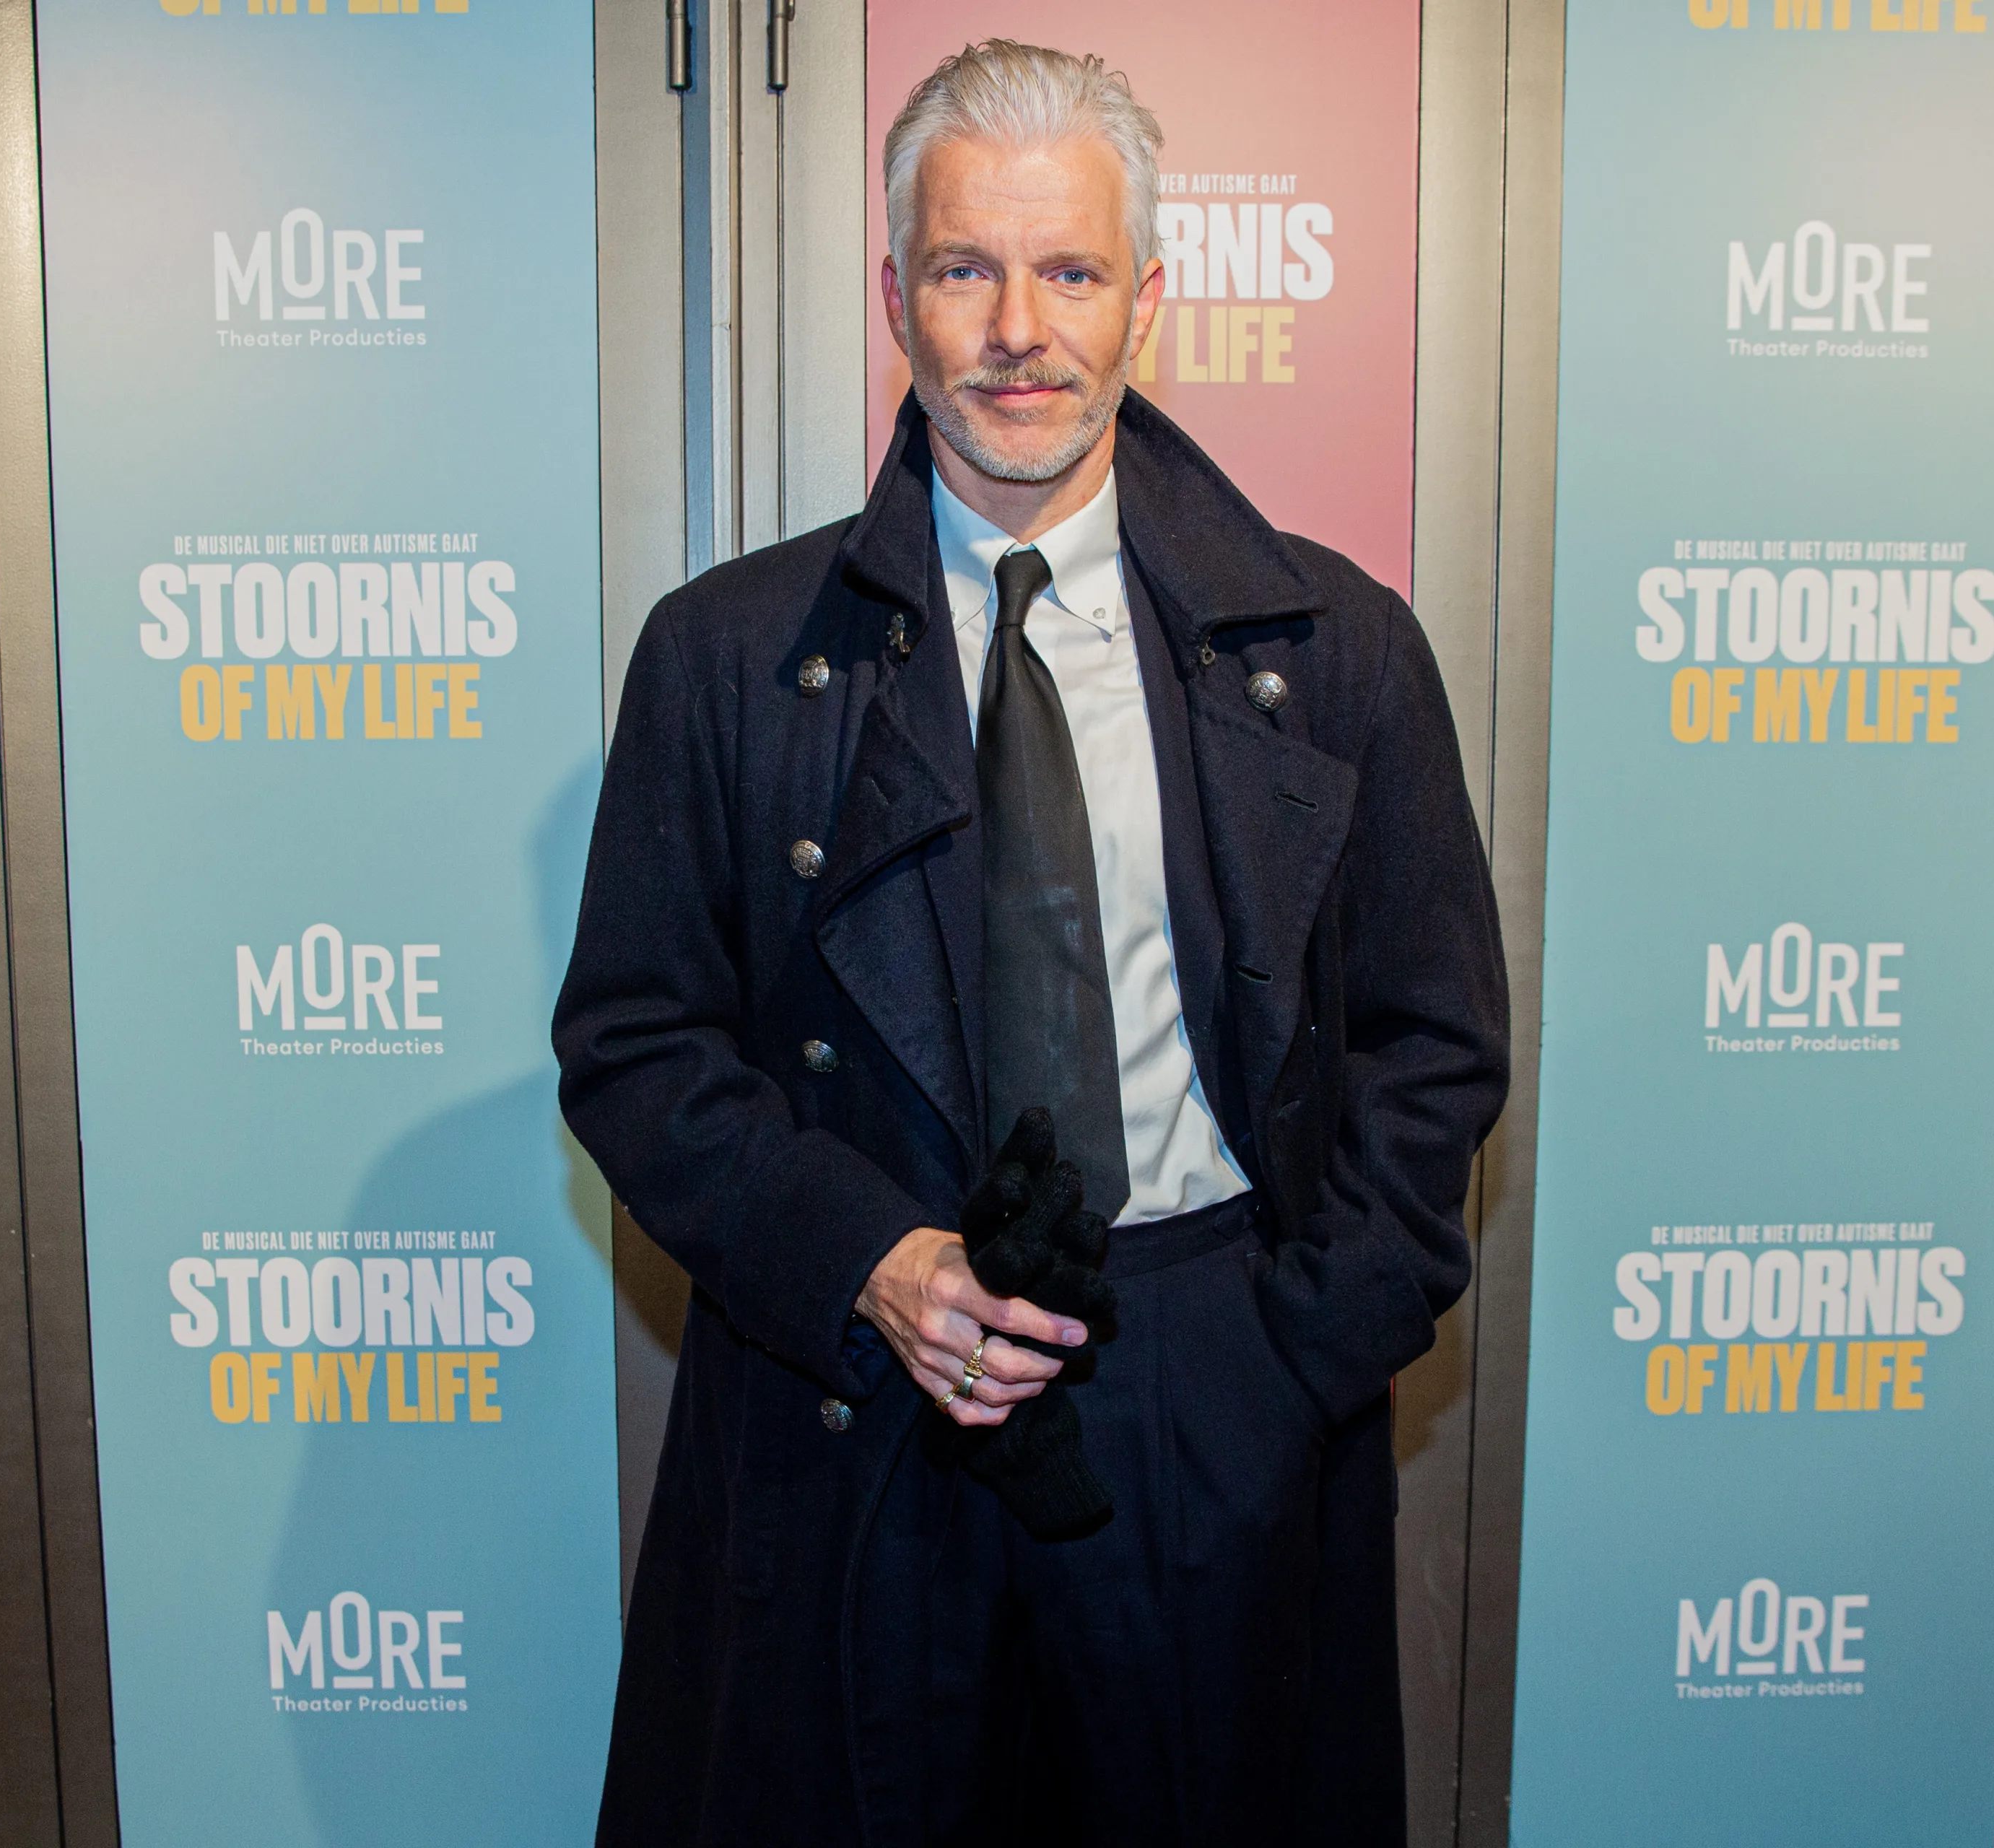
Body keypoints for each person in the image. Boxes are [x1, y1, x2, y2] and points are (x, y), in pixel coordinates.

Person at [554, 38, 1507, 1848]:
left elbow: (1434, 1041)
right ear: (896, 294)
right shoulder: (726, 657)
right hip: (868, 1405)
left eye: (1068, 270)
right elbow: (635, 1044)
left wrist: (1284, 1359)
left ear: (1147, 298)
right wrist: (866, 1260)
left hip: (1208, 1394)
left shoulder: (1341, 650)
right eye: (965, 268)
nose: (1018, 326)